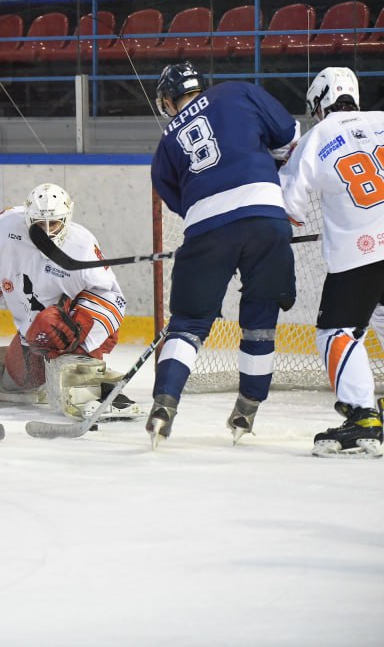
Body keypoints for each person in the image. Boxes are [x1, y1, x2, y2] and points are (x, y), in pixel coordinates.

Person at [147, 62, 299, 449]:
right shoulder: (237, 91)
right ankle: (247, 408)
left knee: (187, 324)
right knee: (261, 321)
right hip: (267, 216)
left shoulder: (166, 142)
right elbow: (288, 137)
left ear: (168, 100)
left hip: (207, 229)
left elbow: (184, 204)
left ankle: (165, 402)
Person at [0, 184, 136, 420]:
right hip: (35, 335)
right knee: (19, 377)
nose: (46, 231)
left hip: (76, 330)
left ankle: (96, 385)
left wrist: (79, 328)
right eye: (39, 223)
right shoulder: (2, 230)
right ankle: (68, 377)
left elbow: (112, 297)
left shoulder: (82, 245)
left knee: (58, 349)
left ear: (67, 219)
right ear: (28, 216)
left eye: (54, 223)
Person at [279, 67, 384, 458]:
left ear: (319, 103)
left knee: (336, 331)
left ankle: (362, 418)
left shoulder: (316, 137)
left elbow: (288, 208)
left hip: (361, 250)